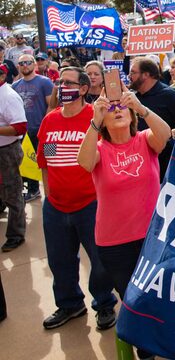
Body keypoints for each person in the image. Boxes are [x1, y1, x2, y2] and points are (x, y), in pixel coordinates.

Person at [77, 86, 171, 360]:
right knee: (133, 299)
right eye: (110, 109)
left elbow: (164, 135)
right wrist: (94, 119)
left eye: (122, 108)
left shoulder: (144, 140)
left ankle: (159, 344)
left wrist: (141, 107)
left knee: (156, 296)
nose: (117, 111)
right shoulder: (98, 148)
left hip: (152, 239)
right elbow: (83, 163)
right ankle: (145, 350)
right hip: (114, 243)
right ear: (103, 120)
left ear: (132, 115)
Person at [37, 66, 117, 331]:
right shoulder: (50, 120)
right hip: (56, 206)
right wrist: (50, 195)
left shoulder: (95, 118)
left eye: (68, 83)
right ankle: (70, 304)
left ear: (83, 89)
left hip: (91, 204)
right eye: (59, 82)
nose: (61, 87)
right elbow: (46, 159)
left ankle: (104, 303)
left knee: (100, 260)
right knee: (59, 260)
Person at [128, 56, 175, 178]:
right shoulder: (134, 98)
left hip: (164, 164)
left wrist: (170, 144)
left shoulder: (170, 96)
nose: (129, 76)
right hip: (139, 163)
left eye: (133, 72)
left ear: (146, 74)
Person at [13, 52, 54, 202]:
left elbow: (52, 105)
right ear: (18, 66)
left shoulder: (45, 82)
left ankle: (52, 188)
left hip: (42, 129)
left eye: (28, 62)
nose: (25, 66)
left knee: (48, 159)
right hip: (24, 131)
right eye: (21, 63)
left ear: (34, 64)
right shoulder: (15, 85)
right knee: (27, 160)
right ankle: (33, 189)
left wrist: (45, 125)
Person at [0, 64, 27, 252]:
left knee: (13, 193)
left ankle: (16, 234)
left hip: (7, 150)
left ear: (3, 75)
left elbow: (20, 127)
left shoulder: (8, 96)